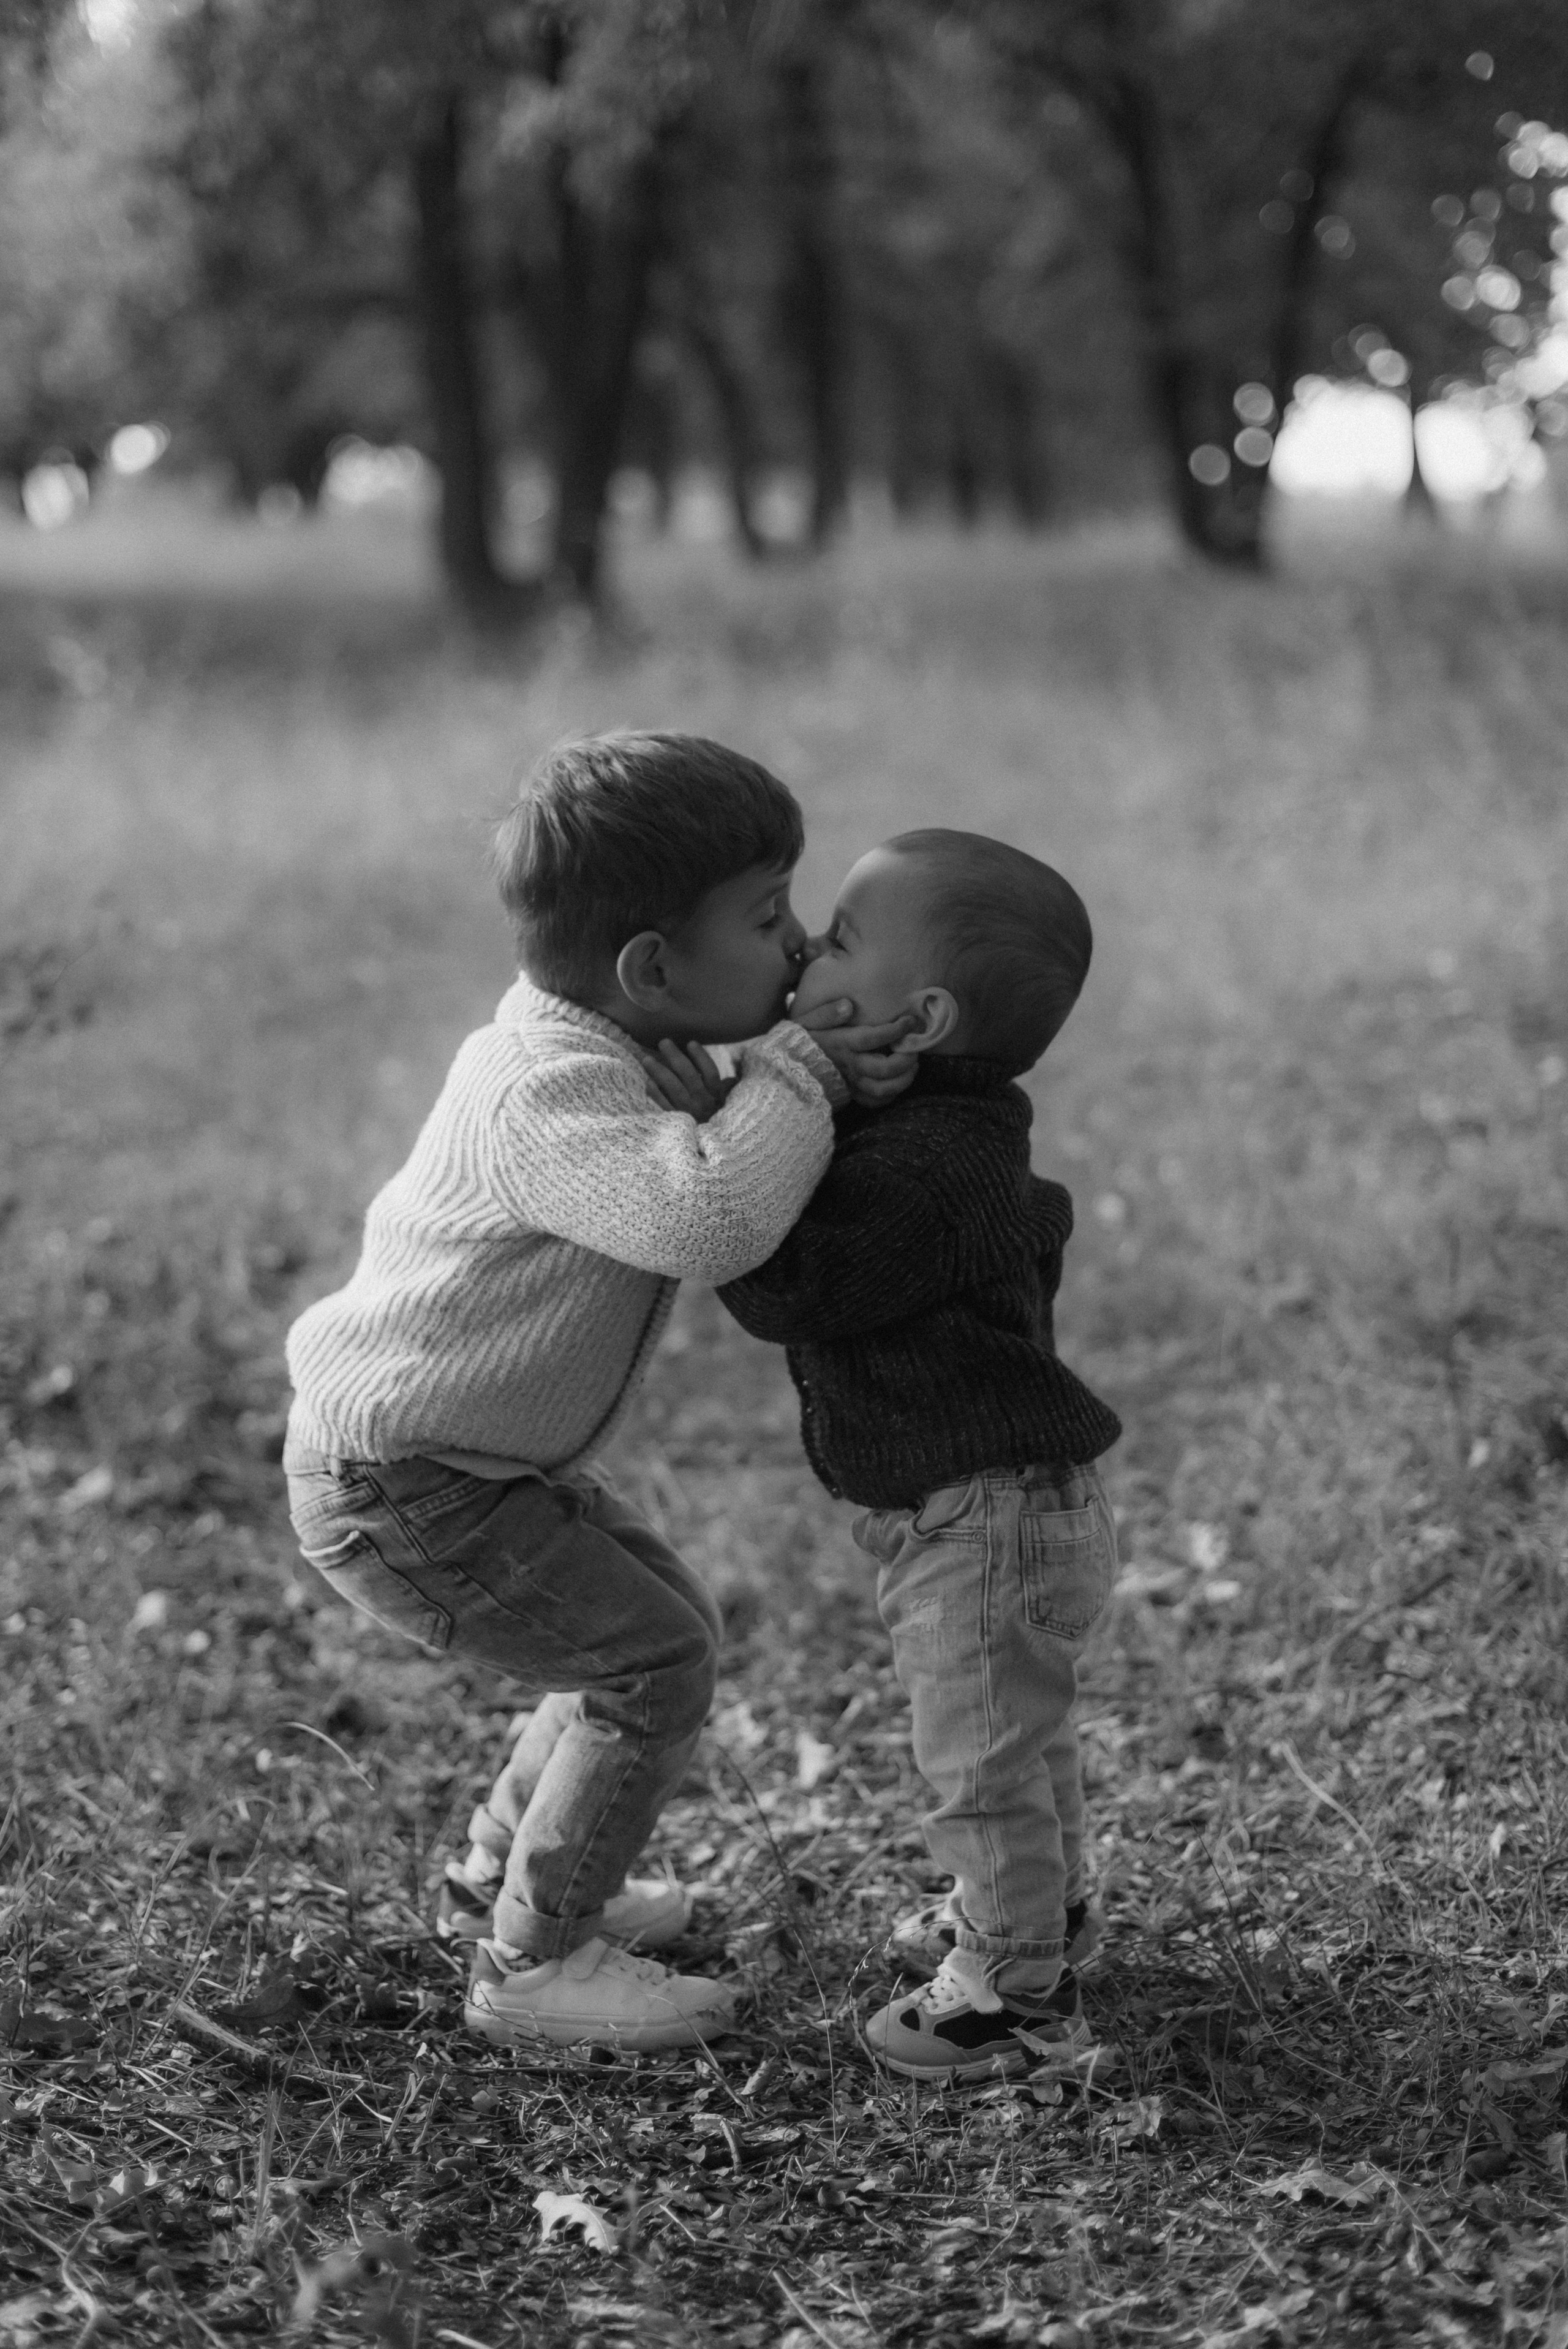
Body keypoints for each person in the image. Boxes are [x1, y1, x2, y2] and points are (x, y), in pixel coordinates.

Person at [281, 733, 915, 2053]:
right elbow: (709, 1212)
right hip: (404, 1484)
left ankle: (498, 1885)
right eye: (765, 917)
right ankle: (533, 1966)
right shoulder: (545, 1093)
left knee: (655, 1624)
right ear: (650, 967)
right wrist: (796, 1073)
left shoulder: (614, 1047)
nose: (797, 947)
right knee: (648, 1661)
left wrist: (786, 1081)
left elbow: (716, 1145)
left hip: (469, 1463)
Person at [710, 828, 1122, 2081]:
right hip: (992, 1507)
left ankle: (1010, 1998)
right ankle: (1036, 1917)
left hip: (981, 1516)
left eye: (837, 939)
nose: (802, 956)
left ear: (922, 1014)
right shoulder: (949, 1133)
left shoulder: (935, 1163)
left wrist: (752, 1116)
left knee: (982, 1758)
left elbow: (787, 1283)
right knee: (1019, 1738)